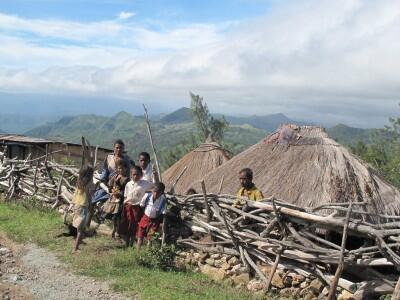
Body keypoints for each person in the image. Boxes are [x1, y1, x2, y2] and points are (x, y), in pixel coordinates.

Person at [119, 166, 153, 247]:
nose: (135, 176)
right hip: (128, 207)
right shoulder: (128, 184)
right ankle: (127, 244)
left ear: (141, 175)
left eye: (137, 174)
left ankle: (131, 244)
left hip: (138, 208)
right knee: (127, 225)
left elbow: (155, 187)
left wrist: (155, 176)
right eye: (133, 174)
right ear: (131, 175)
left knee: (134, 226)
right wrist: (125, 204)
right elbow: (125, 196)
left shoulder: (145, 184)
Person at [102, 159, 129, 238]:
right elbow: (110, 186)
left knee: (118, 216)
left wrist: (120, 193)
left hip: (120, 199)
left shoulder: (127, 179)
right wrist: (112, 182)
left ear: (126, 169)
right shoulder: (115, 176)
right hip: (113, 198)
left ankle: (117, 231)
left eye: (122, 168)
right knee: (113, 215)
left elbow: (126, 190)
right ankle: (113, 229)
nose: (120, 170)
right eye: (119, 168)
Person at [136, 182, 167, 251]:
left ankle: (147, 254)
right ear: (152, 190)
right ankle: (137, 253)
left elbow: (164, 213)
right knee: (140, 236)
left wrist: (164, 224)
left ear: (162, 193)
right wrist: (142, 216)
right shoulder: (147, 196)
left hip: (154, 221)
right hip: (145, 218)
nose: (156, 194)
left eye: (158, 192)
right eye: (154, 191)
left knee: (150, 238)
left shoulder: (163, 201)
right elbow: (141, 206)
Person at [71, 166, 95, 253]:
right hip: (83, 207)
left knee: (79, 228)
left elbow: (75, 194)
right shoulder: (89, 185)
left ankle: (78, 242)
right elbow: (89, 196)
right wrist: (90, 205)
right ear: (90, 175)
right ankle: (75, 249)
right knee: (81, 230)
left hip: (77, 206)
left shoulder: (79, 182)